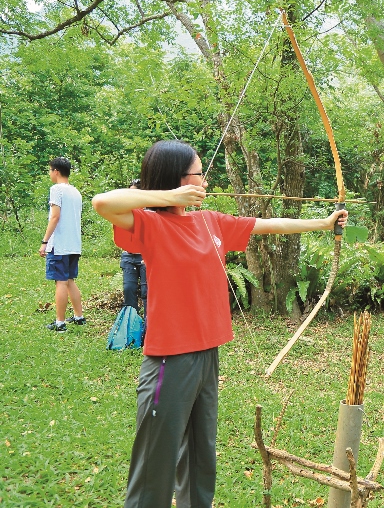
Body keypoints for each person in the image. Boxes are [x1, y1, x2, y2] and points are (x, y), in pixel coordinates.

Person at [91, 139, 347, 508]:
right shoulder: (147, 223)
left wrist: (322, 223)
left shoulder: (209, 221)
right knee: (155, 464)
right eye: (200, 174)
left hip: (208, 352)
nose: (206, 182)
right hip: (170, 359)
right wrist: (168, 197)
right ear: (179, 181)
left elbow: (266, 224)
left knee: (201, 453)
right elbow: (102, 203)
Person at [40, 157, 85, 332]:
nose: (50, 173)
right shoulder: (76, 192)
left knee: (60, 282)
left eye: (50, 170)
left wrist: (45, 241)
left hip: (59, 245)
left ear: (56, 171)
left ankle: (60, 323)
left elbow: (55, 217)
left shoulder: (56, 189)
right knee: (69, 280)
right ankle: (79, 316)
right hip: (74, 244)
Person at [120, 179, 147, 319]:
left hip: (145, 257)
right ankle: (131, 324)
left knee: (146, 292)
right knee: (128, 289)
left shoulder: (150, 213)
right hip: (128, 256)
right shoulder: (123, 212)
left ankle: (149, 327)